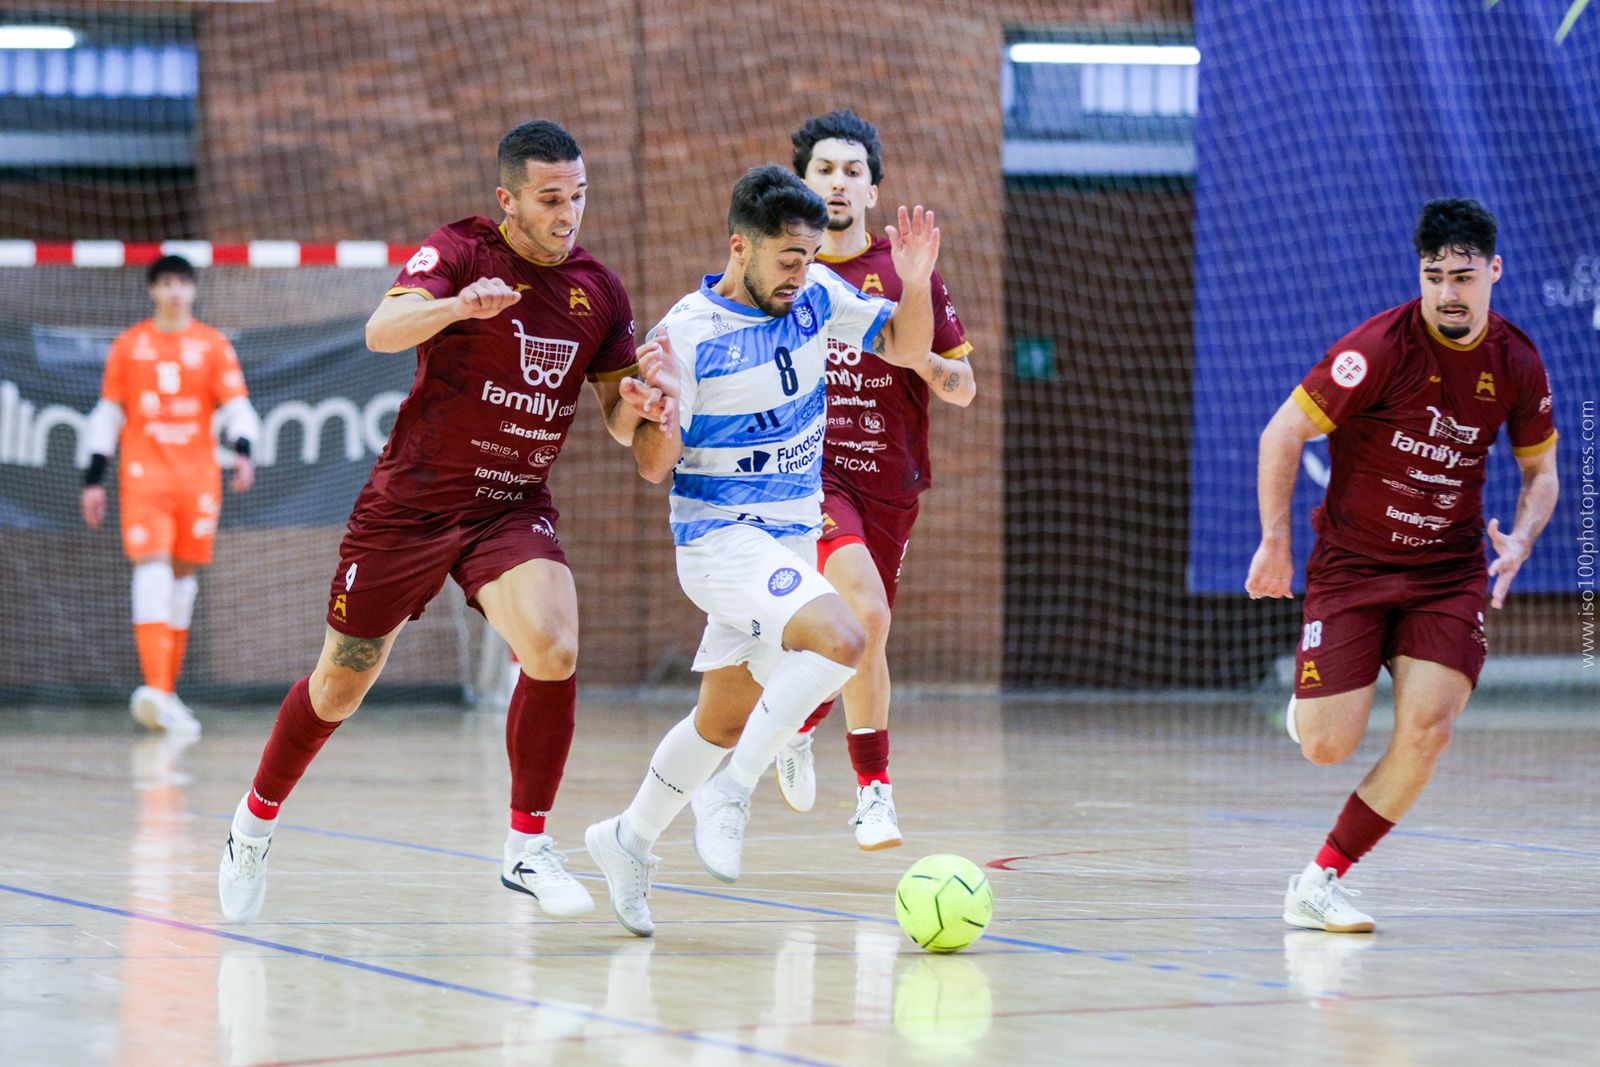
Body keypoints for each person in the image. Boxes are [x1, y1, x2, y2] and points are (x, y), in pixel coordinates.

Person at [216, 119, 680, 923]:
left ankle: (527, 845)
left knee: (555, 642)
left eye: (578, 195)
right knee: (339, 684)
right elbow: (380, 328)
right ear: (507, 200)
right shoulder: (461, 251)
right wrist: (457, 307)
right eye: (549, 198)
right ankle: (252, 824)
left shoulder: (598, 289)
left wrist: (640, 403)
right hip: (411, 507)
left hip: (509, 505)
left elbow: (612, 415)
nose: (568, 212)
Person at [585, 163, 941, 937]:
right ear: (739, 245)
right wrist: (664, 414)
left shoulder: (818, 297)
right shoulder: (686, 332)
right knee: (845, 634)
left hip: (787, 539)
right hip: (719, 538)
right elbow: (651, 465)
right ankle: (734, 791)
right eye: (787, 256)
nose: (800, 272)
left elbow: (908, 348)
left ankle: (627, 838)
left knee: (721, 716)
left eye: (810, 254)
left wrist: (914, 285)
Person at [1245, 198, 1559, 932]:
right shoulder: (1380, 348)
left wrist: (1522, 537)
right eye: (1434, 275)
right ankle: (1316, 705)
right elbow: (1282, 432)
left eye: (1464, 276)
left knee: (1431, 728)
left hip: (1446, 576)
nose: (1449, 292)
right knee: (1327, 745)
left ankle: (1320, 879)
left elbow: (1541, 472)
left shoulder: (1515, 359)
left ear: (1494, 272)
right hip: (1353, 569)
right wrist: (1275, 541)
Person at [750, 108, 976, 850]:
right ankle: (874, 795)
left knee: (863, 634)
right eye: (825, 170)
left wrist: (915, 353)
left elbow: (964, 384)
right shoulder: (788, 273)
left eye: (853, 171)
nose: (839, 183)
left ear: (873, 190)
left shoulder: (907, 274)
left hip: (891, 481)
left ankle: (797, 721)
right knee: (868, 618)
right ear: (803, 185)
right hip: (809, 478)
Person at [81, 254, 259, 738]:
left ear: (193, 290)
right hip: (145, 479)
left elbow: (238, 407)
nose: (175, 291)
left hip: (198, 481)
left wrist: (244, 451)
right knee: (153, 573)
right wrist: (93, 478)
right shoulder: (129, 345)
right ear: (153, 291)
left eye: (183, 282)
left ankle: (165, 693)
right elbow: (108, 415)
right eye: (166, 283)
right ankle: (157, 691)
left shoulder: (213, 345)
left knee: (182, 585)